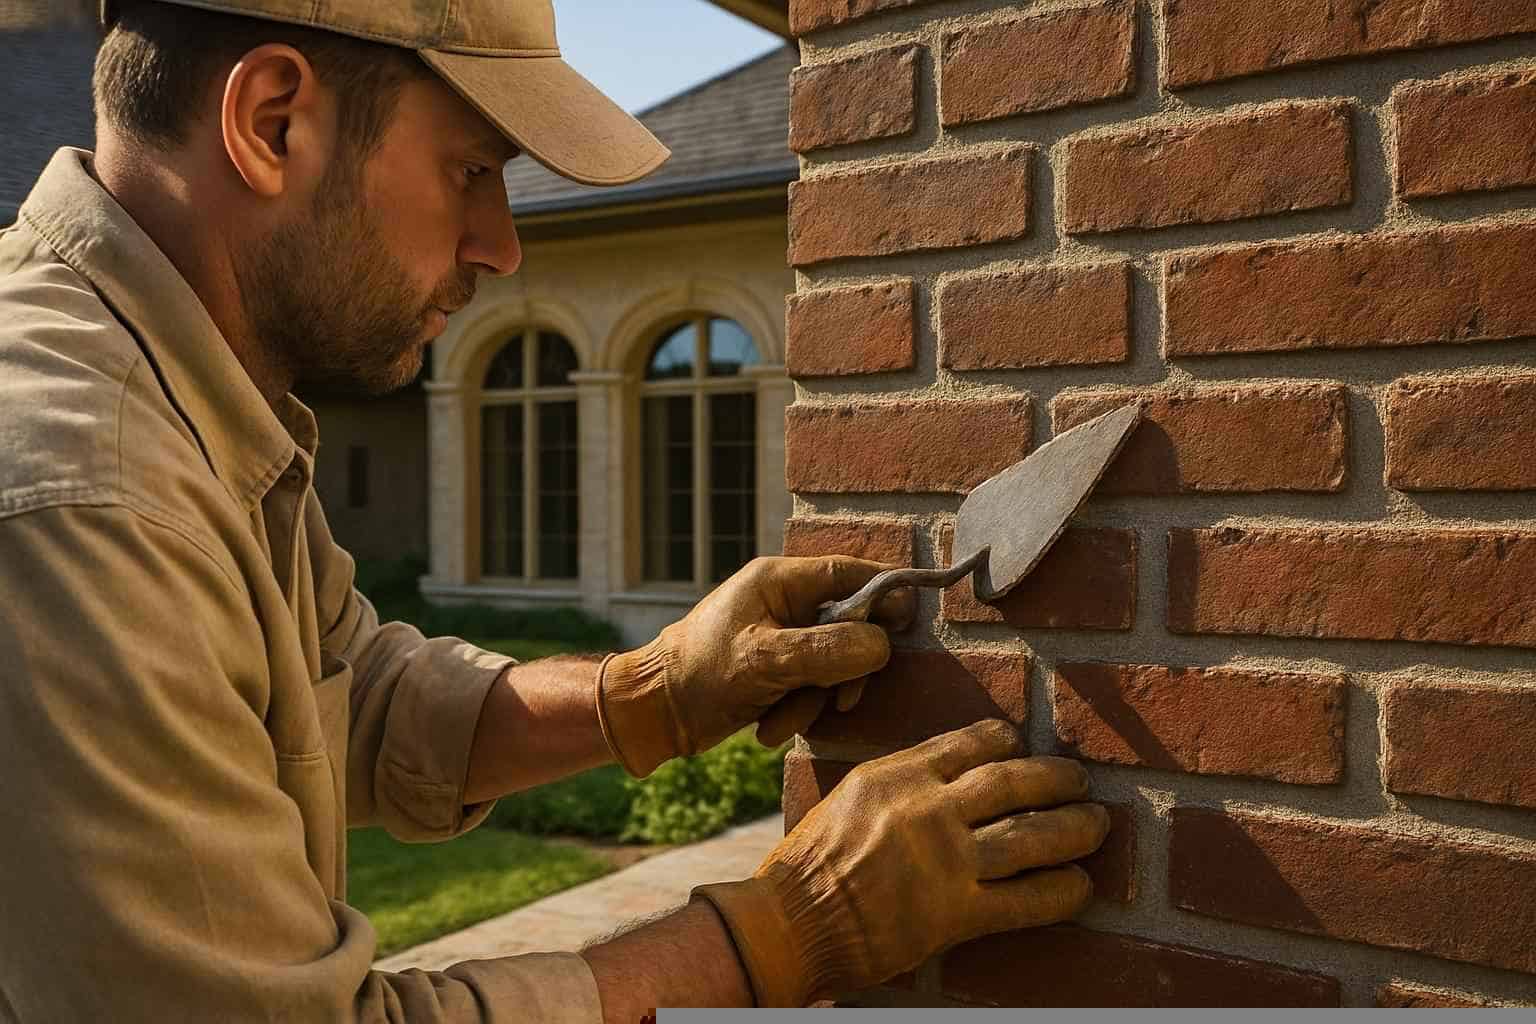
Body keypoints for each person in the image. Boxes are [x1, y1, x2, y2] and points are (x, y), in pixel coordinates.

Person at [0, 1, 1110, 1020]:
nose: (503, 243)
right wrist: (798, 924)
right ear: (272, 122)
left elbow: (357, 702)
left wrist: (655, 690)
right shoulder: (85, 493)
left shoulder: (185, 397)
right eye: (472, 167)